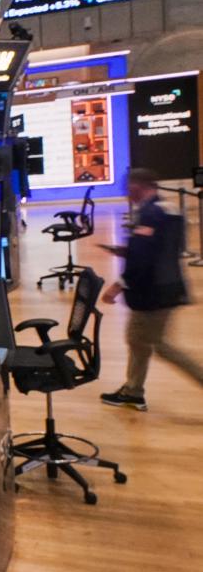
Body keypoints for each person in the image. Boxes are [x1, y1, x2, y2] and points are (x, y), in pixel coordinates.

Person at [99, 168, 203, 411]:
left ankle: (134, 391)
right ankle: (133, 391)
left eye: (128, 187)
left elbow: (144, 259)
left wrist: (117, 285)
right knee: (137, 340)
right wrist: (127, 251)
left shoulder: (149, 213)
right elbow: (165, 249)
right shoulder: (170, 210)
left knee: (159, 345)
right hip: (170, 286)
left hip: (153, 291)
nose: (126, 193)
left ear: (137, 186)